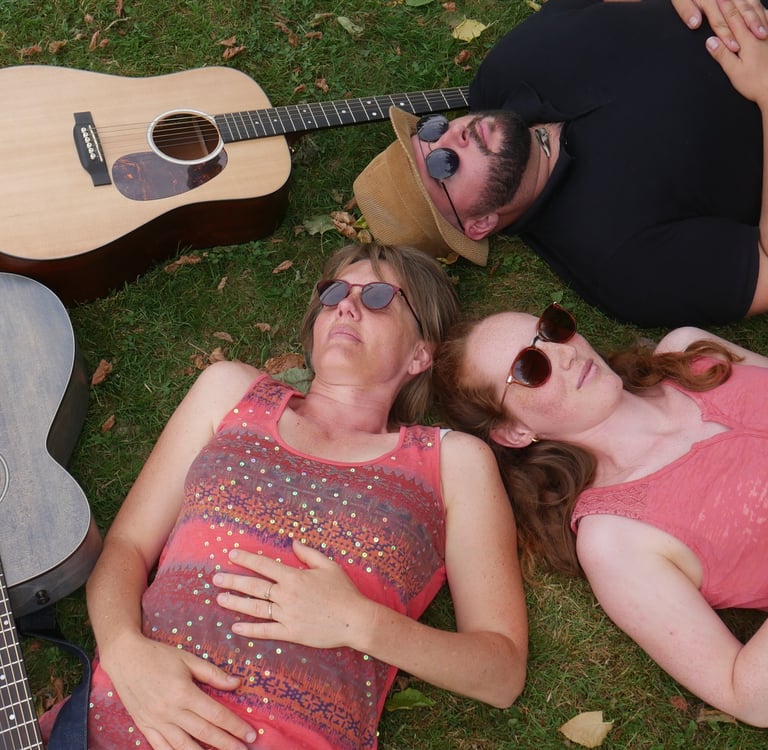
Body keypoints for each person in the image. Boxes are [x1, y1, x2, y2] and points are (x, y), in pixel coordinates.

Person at [38, 243, 528, 750]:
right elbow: (126, 547)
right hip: (110, 723)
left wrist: (360, 623)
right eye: (334, 292)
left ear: (420, 353)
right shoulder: (228, 392)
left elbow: (502, 673)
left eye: (378, 297)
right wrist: (123, 650)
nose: (346, 306)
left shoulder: (453, 464)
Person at [432, 302, 768, 726]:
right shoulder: (616, 537)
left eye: (553, 329)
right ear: (515, 431)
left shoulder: (688, 351)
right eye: (530, 367)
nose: (566, 352)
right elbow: (749, 698)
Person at [353, 0, 768, 328]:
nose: (452, 135)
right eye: (444, 164)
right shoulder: (619, 265)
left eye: (432, 130)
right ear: (477, 224)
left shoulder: (502, 73)